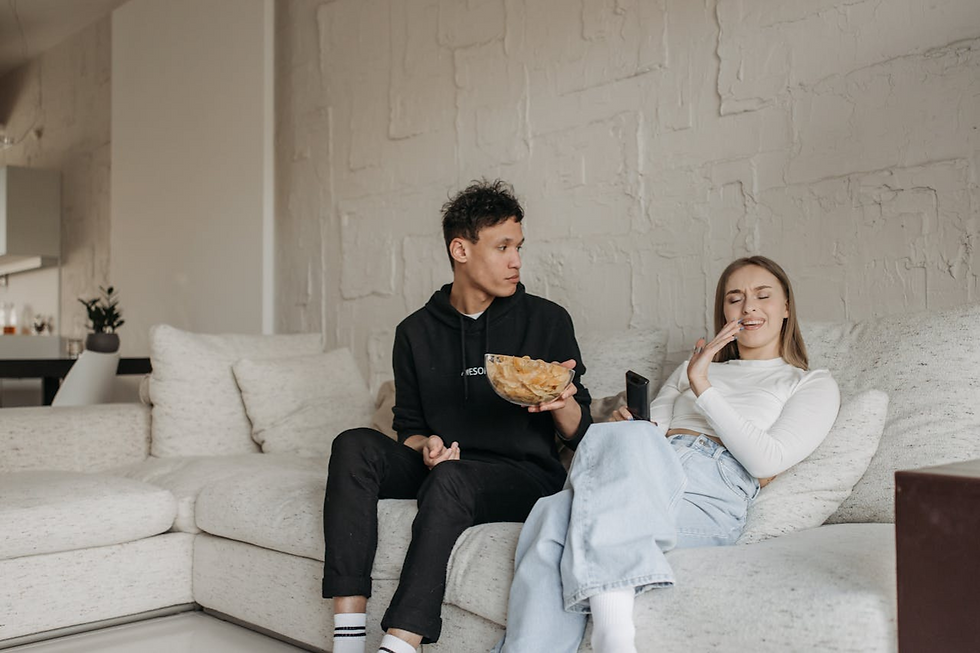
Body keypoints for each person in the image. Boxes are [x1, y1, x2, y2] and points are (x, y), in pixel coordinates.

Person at [495, 255, 840, 653]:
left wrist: (702, 384)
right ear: (722, 311)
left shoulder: (810, 383)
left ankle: (613, 630)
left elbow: (766, 460)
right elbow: (650, 434)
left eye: (762, 296)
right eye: (734, 299)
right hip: (652, 470)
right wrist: (634, 427)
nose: (748, 307)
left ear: (785, 308)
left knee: (573, 500)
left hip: (711, 493)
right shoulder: (690, 368)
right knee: (552, 509)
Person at [321, 180, 594, 653]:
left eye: (518, 247)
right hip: (444, 469)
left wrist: (562, 402)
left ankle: (401, 642)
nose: (516, 261)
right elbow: (409, 427)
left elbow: (581, 434)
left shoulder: (547, 320)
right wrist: (425, 447)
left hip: (523, 476)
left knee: (451, 480)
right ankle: (347, 637)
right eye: (502, 246)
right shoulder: (415, 332)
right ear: (460, 249)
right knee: (353, 443)